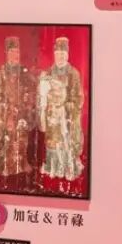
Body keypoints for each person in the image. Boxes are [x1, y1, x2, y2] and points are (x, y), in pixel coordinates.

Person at [37, 37, 85, 182]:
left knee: (66, 142)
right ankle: (53, 167)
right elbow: (42, 95)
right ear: (54, 55)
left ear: (67, 55)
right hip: (52, 116)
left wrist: (68, 107)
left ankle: (68, 167)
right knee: (52, 142)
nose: (60, 57)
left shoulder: (73, 73)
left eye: (63, 54)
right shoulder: (48, 73)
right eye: (58, 54)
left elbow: (79, 97)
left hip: (66, 116)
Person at [0, 37, 36, 180]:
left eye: (17, 52)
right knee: (7, 140)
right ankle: (5, 165)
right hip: (6, 113)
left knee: (22, 140)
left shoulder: (24, 72)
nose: (15, 55)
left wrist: (26, 106)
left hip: (21, 112)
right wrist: (6, 111)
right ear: (6, 53)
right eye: (12, 52)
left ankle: (22, 163)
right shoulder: (1, 72)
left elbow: (31, 91)